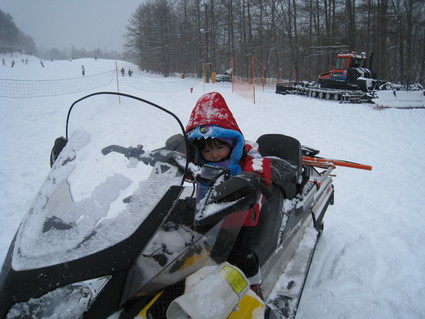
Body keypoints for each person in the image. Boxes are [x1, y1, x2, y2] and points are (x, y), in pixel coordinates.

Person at [186, 92, 271, 298]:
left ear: (232, 143)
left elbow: (260, 167)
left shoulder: (246, 156)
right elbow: (180, 160)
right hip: (206, 214)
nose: (214, 155)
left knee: (241, 255)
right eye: (207, 150)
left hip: (239, 218)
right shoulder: (200, 162)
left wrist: (253, 176)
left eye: (219, 147)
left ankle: (253, 286)